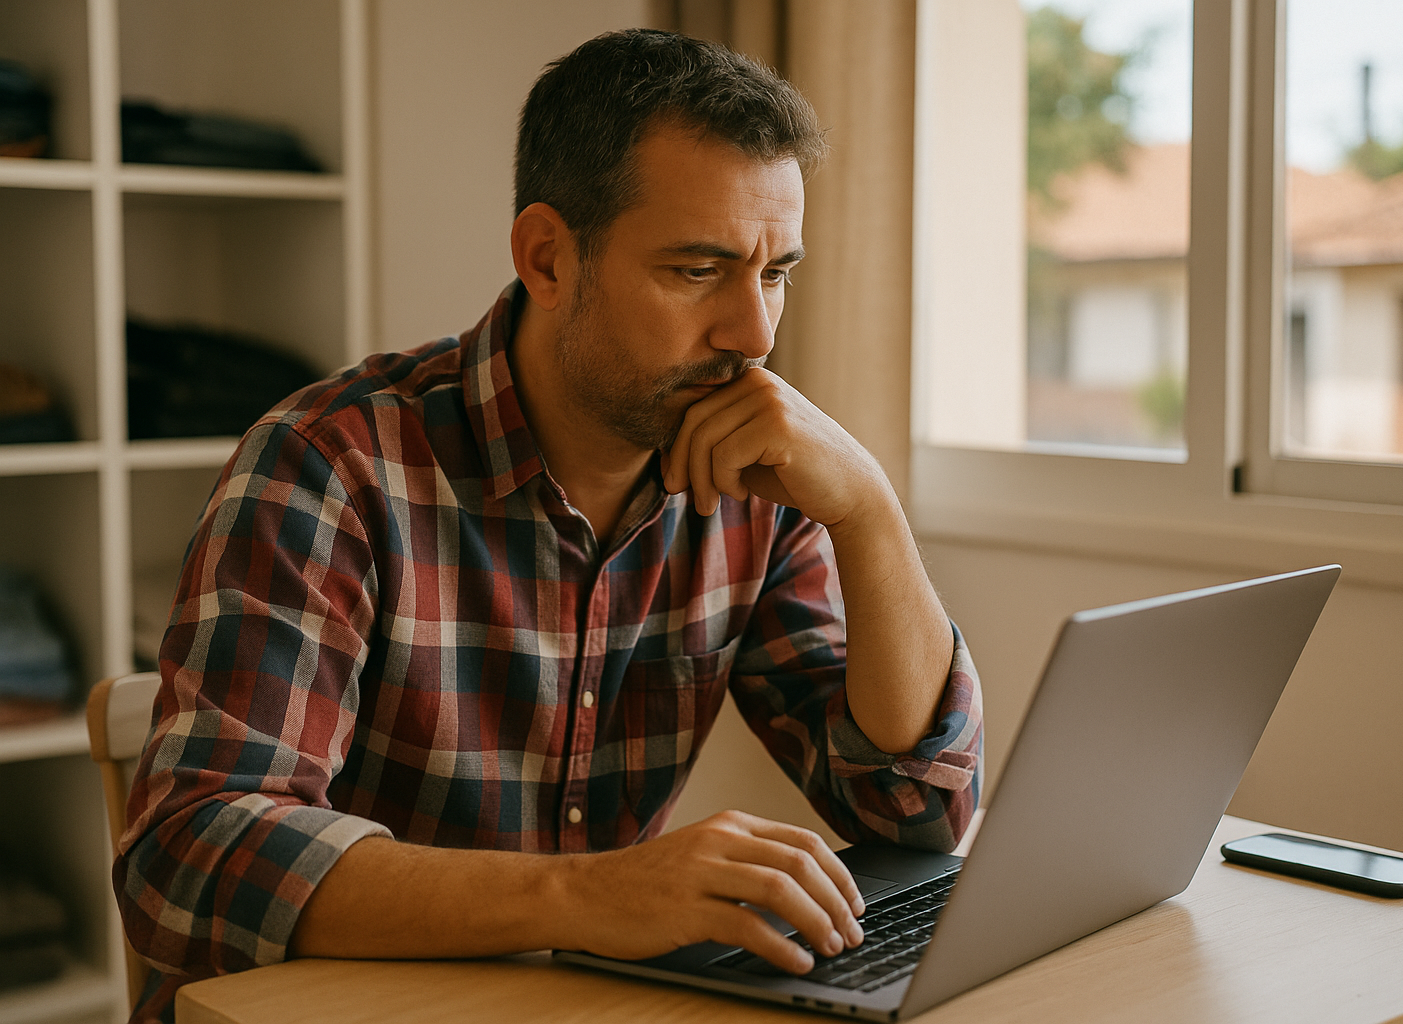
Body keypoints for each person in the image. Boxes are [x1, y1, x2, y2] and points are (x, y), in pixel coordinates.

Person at [114, 29, 982, 1023]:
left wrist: (869, 508)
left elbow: (916, 812)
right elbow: (188, 859)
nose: (755, 334)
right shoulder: (334, 463)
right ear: (547, 256)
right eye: (699, 270)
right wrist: (591, 895)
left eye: (774, 270)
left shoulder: (751, 480)